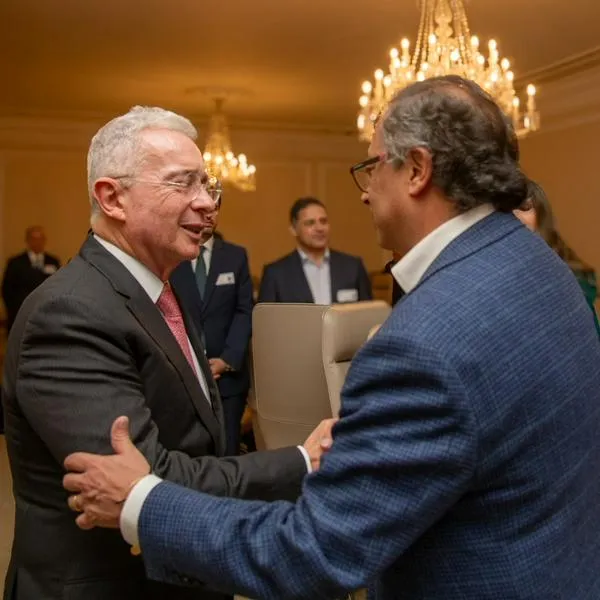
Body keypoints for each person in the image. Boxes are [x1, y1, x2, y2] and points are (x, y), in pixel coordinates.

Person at [63, 77, 600, 599]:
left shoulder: (420, 345)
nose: (364, 195)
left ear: (416, 170)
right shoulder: (539, 264)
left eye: (371, 168)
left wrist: (142, 502)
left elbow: (314, 554)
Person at [2, 105, 334, 600]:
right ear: (112, 197)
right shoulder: (69, 312)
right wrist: (301, 461)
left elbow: (196, 442)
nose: (208, 205)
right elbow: (145, 478)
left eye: (208, 186)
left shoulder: (166, 289)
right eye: (184, 184)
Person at [171, 186, 253, 455]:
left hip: (228, 377)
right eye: (198, 208)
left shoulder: (235, 256)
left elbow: (244, 311)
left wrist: (227, 360)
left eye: (213, 208)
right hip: (183, 373)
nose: (207, 214)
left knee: (228, 449)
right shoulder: (171, 256)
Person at [514, 178, 600, 336]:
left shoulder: (565, 273)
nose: (515, 216)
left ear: (541, 216)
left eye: (524, 207)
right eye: (506, 211)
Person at [257, 197, 372, 303]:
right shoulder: (275, 274)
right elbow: (267, 322)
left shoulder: (353, 267)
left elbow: (368, 315)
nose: (319, 228)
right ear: (293, 229)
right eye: (310, 223)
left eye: (323, 221)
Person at [1, 226, 61, 333]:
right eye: (34, 239)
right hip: (20, 317)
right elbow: (7, 291)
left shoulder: (53, 261)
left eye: (40, 239)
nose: (37, 242)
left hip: (47, 318)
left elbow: (59, 287)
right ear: (27, 240)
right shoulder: (15, 263)